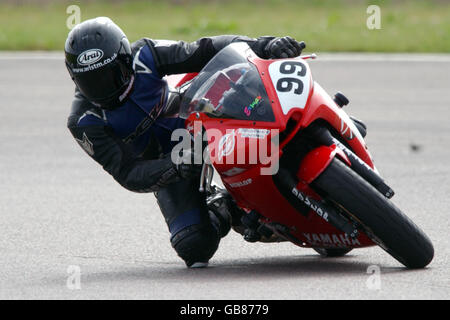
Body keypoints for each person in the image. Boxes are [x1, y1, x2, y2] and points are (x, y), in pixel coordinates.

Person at [65, 17, 305, 268]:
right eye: (91, 82)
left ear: (126, 60)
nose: (104, 89)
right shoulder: (84, 122)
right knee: (194, 245)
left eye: (111, 75)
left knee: (259, 103)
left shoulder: (145, 54)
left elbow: (205, 49)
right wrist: (174, 166)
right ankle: (226, 208)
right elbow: (127, 171)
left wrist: (266, 46)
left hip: (195, 120)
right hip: (168, 159)